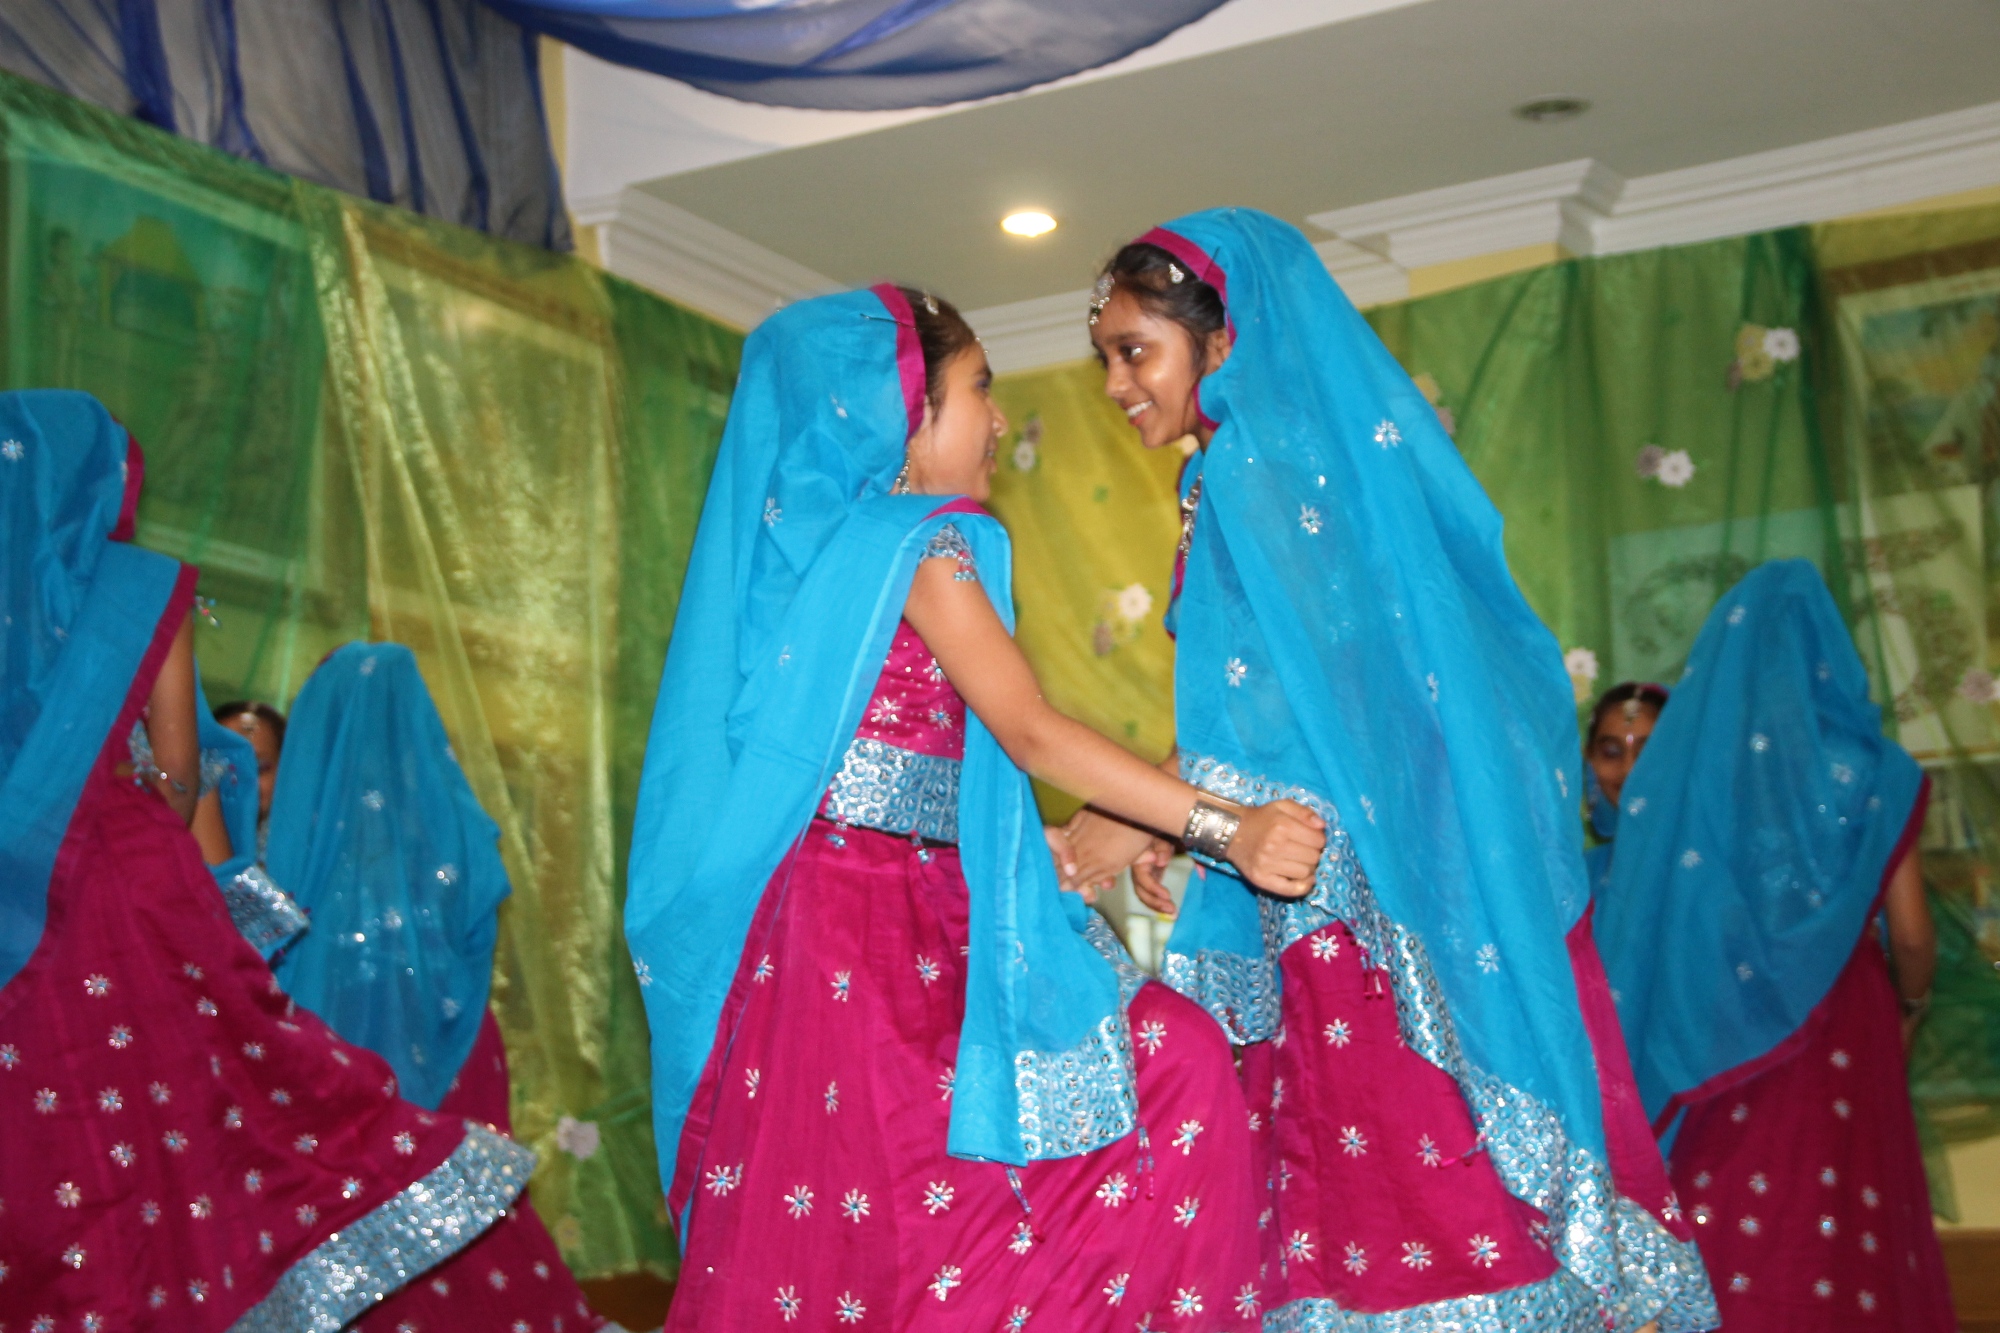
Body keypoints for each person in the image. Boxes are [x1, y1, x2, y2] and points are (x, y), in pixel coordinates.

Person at [1063, 209, 1718, 1331]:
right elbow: (1309, 695)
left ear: (1223, 345)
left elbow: (1271, 714)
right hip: (1367, 880)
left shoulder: (1246, 470)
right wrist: (1187, 822)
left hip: (1340, 905)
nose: (1117, 382)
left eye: (1136, 350)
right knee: (1417, 1177)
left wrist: (1128, 826)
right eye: (1105, 357)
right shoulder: (1280, 468)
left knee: (1387, 1202)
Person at [627, 284, 1325, 1331]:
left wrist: (1013, 837)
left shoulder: (817, 561)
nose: (996, 419)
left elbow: (859, 762)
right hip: (881, 934)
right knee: (1161, 1071)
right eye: (977, 390)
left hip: (826, 925)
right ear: (906, 416)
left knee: (889, 1218)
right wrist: (1223, 825)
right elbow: (1030, 731)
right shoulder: (928, 539)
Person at [0, 390, 534, 1329]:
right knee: (199, 1100)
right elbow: (176, 766)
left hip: (19, 902)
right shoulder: (135, 584)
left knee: (56, 1135)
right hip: (128, 870)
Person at [1592, 560, 1954, 1330]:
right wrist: (1912, 1003)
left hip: (1729, 1019)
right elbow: (1914, 933)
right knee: (1851, 1215)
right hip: (1849, 1018)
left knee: (1741, 1214)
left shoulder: (1704, 778)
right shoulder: (1880, 773)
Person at [266, 640, 605, 1332]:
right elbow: (479, 906)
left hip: (340, 1045)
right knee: (461, 1200)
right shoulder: (448, 824)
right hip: (451, 1035)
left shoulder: (304, 838)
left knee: (360, 1199)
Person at [1583, 682, 1671, 894]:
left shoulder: (1706, 873)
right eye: (1612, 752)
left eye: (1647, 752)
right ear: (1589, 759)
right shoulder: (1579, 878)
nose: (1629, 769)